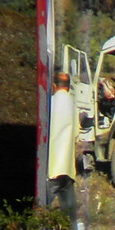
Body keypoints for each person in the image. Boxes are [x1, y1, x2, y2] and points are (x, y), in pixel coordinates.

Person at [47, 72, 77, 220]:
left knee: (41, 209)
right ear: (68, 86)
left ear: (54, 86)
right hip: (68, 169)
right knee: (70, 215)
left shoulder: (50, 103)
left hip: (52, 169)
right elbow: (76, 133)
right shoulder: (73, 105)